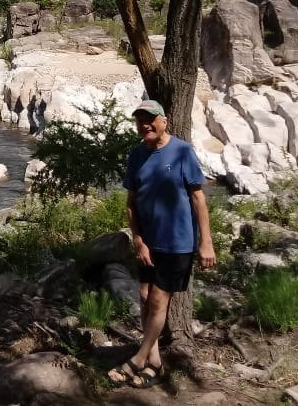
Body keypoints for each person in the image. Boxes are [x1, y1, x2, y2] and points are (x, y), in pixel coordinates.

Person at [109, 99, 216, 389]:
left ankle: (137, 360)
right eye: (140, 120)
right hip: (148, 242)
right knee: (144, 298)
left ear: (164, 121)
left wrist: (206, 242)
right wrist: (138, 239)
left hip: (178, 242)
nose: (145, 125)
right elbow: (131, 203)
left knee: (158, 301)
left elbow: (198, 198)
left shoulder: (181, 151)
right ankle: (155, 362)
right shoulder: (136, 155)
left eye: (150, 119)